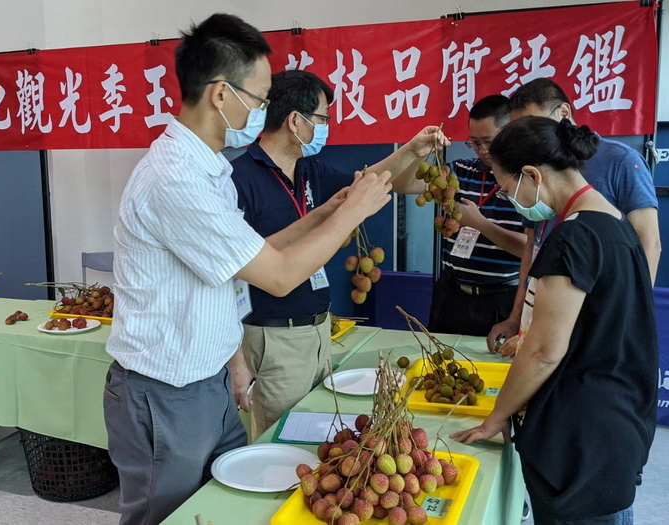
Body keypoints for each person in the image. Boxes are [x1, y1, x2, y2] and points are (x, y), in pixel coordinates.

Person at [102, 14, 394, 525]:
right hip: (167, 390)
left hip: (208, 379)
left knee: (220, 508)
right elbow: (278, 275)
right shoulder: (176, 181)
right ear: (221, 94)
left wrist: (328, 211)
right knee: (164, 515)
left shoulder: (209, 170)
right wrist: (353, 212)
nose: (263, 111)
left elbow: (249, 258)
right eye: (259, 100)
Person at [452, 116, 657, 525]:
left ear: (531, 174)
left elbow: (545, 351)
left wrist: (497, 416)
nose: (510, 198)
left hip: (582, 433)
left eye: (507, 187)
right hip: (616, 418)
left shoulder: (573, 237)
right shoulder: (612, 221)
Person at [230, 69, 447, 439]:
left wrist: (410, 150)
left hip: (317, 331)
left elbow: (363, 185)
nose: (327, 127)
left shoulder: (309, 168)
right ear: (295, 120)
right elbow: (226, 275)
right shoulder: (239, 180)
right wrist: (236, 362)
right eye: (323, 119)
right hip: (270, 336)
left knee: (315, 435)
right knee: (280, 439)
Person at [488, 78, 660, 355]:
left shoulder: (621, 160)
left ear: (563, 113)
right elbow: (532, 246)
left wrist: (627, 318)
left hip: (599, 309)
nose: (527, 134)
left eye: (533, 123)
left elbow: (648, 243)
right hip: (550, 302)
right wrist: (517, 316)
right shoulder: (531, 173)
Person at [391, 95, 526, 336]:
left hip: (501, 298)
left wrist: (480, 224)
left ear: (511, 132)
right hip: (451, 292)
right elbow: (402, 185)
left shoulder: (527, 180)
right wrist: (418, 152)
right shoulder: (462, 171)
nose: (482, 150)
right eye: (474, 142)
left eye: (488, 141)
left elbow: (531, 250)